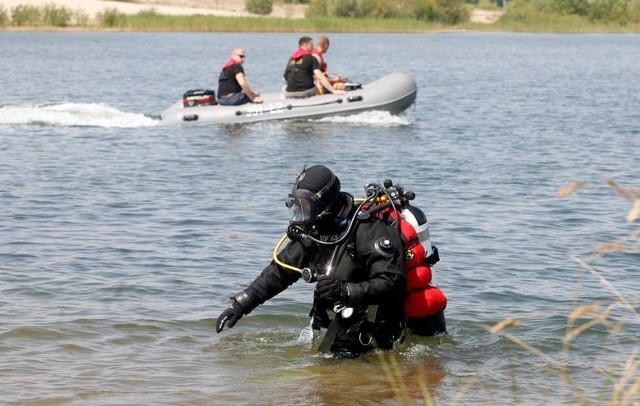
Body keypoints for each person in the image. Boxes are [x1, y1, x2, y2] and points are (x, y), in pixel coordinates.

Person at [216, 165, 407, 359]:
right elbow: (281, 271)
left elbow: (392, 281)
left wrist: (345, 291)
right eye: (296, 205)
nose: (300, 212)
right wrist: (241, 304)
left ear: (323, 203)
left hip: (376, 332)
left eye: (304, 206)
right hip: (339, 328)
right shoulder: (316, 230)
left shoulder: (367, 229)